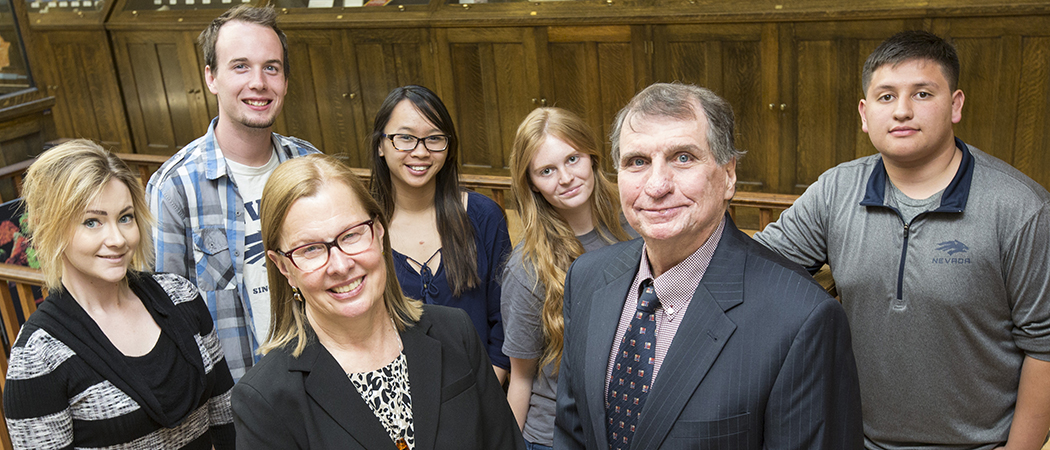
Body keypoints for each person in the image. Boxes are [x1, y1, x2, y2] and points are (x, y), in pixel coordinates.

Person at [754, 30, 1050, 450]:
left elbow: (1044, 345)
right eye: (886, 96)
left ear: (955, 105)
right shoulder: (837, 190)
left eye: (923, 94)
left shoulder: (1021, 208)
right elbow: (756, 264)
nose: (903, 111)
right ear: (864, 112)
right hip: (856, 439)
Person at [554, 83, 863, 450]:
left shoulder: (802, 318)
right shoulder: (587, 279)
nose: (656, 185)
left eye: (683, 157)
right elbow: (573, 435)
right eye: (637, 162)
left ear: (728, 174)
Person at [231, 154, 523, 449]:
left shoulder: (454, 332)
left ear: (380, 233)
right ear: (283, 267)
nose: (341, 265)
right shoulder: (264, 399)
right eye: (311, 249)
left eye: (351, 235)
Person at [3, 140, 235, 449]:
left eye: (125, 217)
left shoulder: (181, 297)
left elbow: (226, 420)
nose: (117, 239)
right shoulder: (39, 357)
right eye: (92, 222)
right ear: (52, 228)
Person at [147, 4, 319, 380]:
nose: (258, 82)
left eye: (271, 67)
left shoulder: (310, 165)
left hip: (324, 379)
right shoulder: (175, 189)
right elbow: (166, 320)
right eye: (240, 66)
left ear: (285, 81)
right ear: (211, 77)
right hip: (239, 400)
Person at [502, 107, 636, 450]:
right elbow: (521, 378)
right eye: (547, 170)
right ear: (530, 182)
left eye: (573, 159)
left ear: (592, 157)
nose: (565, 177)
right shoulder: (527, 267)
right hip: (555, 437)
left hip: (629, 426)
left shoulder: (636, 224)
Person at [370, 85, 512, 382]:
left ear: (448, 149)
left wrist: (484, 396)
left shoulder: (483, 215)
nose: (420, 152)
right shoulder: (361, 227)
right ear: (380, 146)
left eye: (434, 139)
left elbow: (504, 322)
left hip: (480, 391)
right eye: (405, 138)